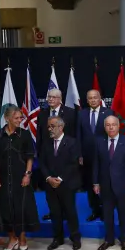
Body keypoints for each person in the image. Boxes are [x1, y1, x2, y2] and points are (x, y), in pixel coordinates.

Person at [0, 105, 40, 250]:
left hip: (21, 178)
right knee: (5, 208)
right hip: (2, 179)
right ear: (7, 118)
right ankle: (12, 239)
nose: (19, 120)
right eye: (16, 118)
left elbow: (30, 157)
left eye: (20, 118)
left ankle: (22, 239)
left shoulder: (25, 134)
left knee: (21, 208)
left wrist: (27, 174)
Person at [93, 116, 125, 250]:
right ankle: (109, 239)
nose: (111, 127)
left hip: (123, 185)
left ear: (119, 126)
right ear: (105, 127)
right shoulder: (99, 141)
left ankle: (124, 239)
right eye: (108, 125)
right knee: (107, 214)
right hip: (105, 185)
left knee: (123, 213)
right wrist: (96, 182)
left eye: (113, 124)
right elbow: (96, 164)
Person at [39, 116, 82, 250]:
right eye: (48, 126)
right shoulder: (46, 143)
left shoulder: (72, 142)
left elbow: (73, 164)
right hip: (50, 185)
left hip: (67, 184)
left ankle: (75, 238)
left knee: (70, 212)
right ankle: (58, 238)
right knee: (55, 212)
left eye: (52, 126)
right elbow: (42, 163)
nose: (49, 129)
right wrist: (48, 178)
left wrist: (60, 179)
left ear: (61, 127)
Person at [37, 88, 76, 220]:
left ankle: (66, 211)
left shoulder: (70, 113)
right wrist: (39, 152)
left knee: (65, 187)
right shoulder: (42, 114)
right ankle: (54, 211)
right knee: (50, 188)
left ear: (60, 99)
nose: (50, 99)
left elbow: (74, 135)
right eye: (49, 97)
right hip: (48, 154)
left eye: (53, 97)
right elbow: (40, 135)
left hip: (65, 154)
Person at [76, 89, 114, 222]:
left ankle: (105, 210)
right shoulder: (81, 114)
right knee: (90, 183)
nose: (93, 100)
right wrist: (79, 154)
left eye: (95, 97)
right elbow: (78, 135)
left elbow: (112, 134)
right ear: (87, 100)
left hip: (104, 155)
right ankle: (95, 210)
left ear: (100, 98)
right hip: (87, 156)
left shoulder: (108, 112)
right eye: (90, 98)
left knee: (104, 183)